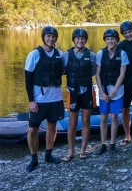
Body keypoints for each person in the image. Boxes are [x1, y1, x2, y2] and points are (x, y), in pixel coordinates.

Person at [25, 26, 65, 172]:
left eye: (53, 36)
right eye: (48, 36)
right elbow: (28, 79)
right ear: (43, 37)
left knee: (52, 126)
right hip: (39, 99)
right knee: (32, 129)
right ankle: (34, 158)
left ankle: (48, 154)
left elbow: (69, 69)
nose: (51, 39)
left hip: (55, 98)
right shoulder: (34, 55)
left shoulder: (60, 54)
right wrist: (31, 100)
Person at [61, 28, 96, 161]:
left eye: (82, 39)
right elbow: (63, 70)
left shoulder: (91, 55)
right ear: (74, 40)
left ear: (85, 40)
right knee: (72, 123)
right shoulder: (66, 55)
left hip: (87, 91)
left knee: (86, 121)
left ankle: (83, 150)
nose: (80, 41)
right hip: (72, 91)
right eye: (77, 39)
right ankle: (71, 151)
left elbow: (93, 71)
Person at [95, 29, 129, 155]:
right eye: (108, 39)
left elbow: (122, 73)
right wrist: (101, 92)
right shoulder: (100, 54)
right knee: (103, 117)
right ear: (105, 40)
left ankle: (113, 143)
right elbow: (97, 74)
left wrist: (114, 90)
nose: (110, 41)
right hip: (104, 89)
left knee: (114, 116)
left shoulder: (122, 53)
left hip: (117, 90)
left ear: (116, 40)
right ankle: (103, 143)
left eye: (113, 38)